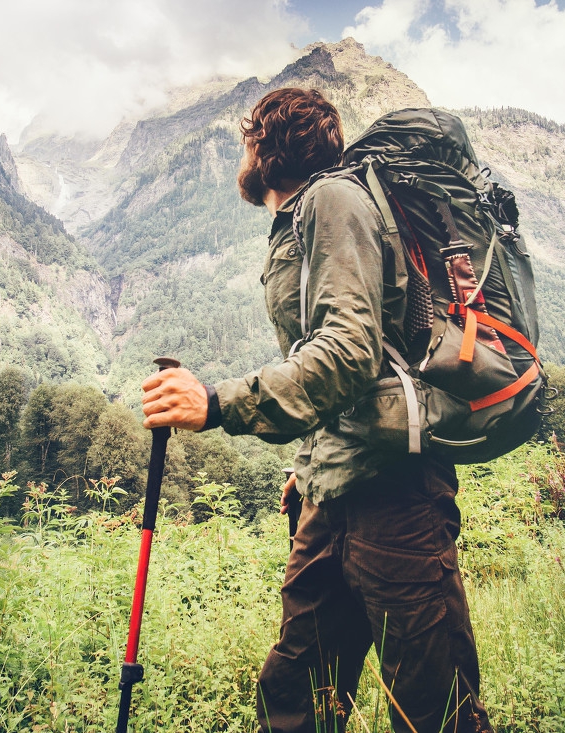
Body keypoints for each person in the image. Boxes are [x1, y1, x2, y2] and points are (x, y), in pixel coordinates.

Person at [141, 87, 494, 733]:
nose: (241, 155)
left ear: (267, 147)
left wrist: (218, 403)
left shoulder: (332, 198)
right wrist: (309, 464)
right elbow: (347, 353)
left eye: (246, 140)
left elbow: (350, 348)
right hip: (330, 495)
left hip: (398, 501)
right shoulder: (306, 215)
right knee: (298, 692)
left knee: (435, 712)